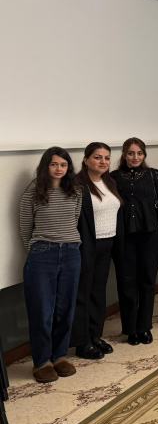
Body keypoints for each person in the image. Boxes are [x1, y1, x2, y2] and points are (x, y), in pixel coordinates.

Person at [19, 147, 83, 383]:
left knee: (65, 309)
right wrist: (40, 250)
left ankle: (59, 356)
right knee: (42, 311)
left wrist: (65, 246)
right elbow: (25, 228)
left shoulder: (76, 191)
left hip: (71, 253)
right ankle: (42, 361)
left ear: (69, 168)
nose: (59, 169)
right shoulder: (33, 192)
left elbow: (74, 220)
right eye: (54, 164)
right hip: (42, 254)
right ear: (46, 166)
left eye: (63, 165)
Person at [112, 138, 158, 345]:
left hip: (149, 235)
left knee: (147, 281)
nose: (135, 157)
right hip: (124, 237)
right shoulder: (113, 177)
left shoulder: (152, 174)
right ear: (124, 154)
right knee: (126, 282)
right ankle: (131, 329)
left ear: (144, 154)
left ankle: (144, 327)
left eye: (139, 153)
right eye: (131, 153)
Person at [71, 143, 124, 360]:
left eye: (107, 158)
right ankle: (82, 342)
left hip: (108, 243)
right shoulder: (77, 184)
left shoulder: (109, 181)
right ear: (86, 160)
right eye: (97, 157)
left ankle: (95, 335)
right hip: (86, 245)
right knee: (82, 294)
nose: (103, 162)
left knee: (98, 292)